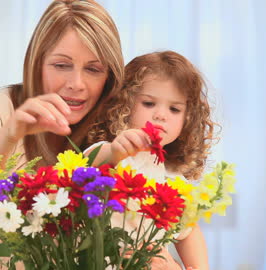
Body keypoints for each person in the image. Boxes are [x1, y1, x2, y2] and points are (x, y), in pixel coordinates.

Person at [0, 1, 180, 269]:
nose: (76, 84)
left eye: (93, 69)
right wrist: (9, 135)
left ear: (109, 77)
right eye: (62, 65)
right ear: (37, 63)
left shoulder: (112, 135)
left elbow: (137, 237)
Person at [86, 50, 217, 270]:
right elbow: (89, 167)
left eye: (174, 109)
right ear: (125, 103)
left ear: (187, 119)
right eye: (149, 104)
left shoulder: (173, 180)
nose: (160, 115)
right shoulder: (112, 152)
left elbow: (189, 231)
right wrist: (116, 153)